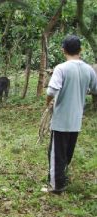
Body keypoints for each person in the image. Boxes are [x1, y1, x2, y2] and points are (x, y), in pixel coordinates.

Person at [46, 35, 97, 194]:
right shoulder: (88, 69)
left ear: (63, 50)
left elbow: (51, 90)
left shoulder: (61, 68)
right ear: (80, 50)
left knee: (56, 153)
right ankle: (62, 177)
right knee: (67, 151)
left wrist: (48, 102)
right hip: (76, 120)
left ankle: (56, 186)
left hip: (61, 119)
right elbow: (95, 89)